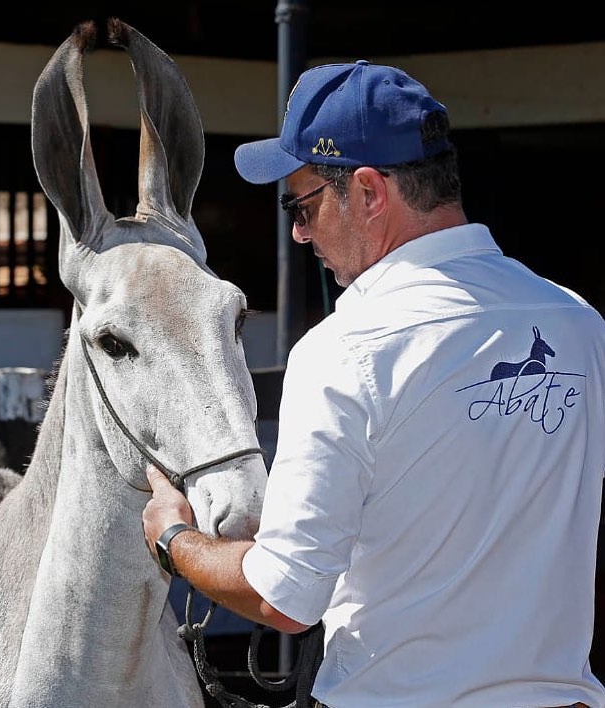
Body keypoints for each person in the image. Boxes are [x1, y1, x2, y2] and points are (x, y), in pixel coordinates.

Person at [142, 59, 605, 708]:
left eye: (300, 205)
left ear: (368, 193)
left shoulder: (346, 348)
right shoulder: (578, 324)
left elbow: (285, 595)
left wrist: (173, 538)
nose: (299, 233)